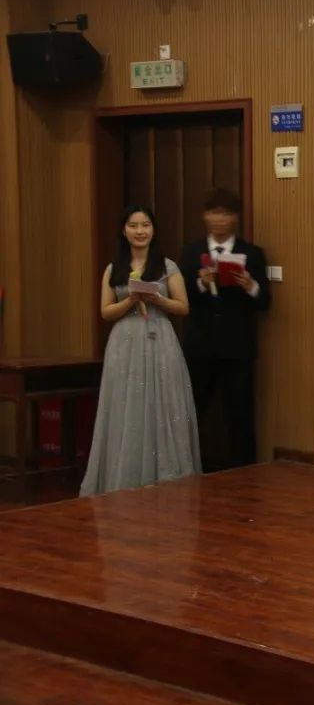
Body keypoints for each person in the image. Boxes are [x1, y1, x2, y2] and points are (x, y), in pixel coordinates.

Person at [80, 206, 201, 495]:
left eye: (145, 225)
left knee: (163, 403)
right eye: (133, 225)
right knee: (127, 406)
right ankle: (126, 476)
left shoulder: (167, 266)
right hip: (125, 343)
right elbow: (106, 311)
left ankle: (167, 476)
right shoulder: (113, 268)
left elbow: (183, 307)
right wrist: (131, 300)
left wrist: (157, 299)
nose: (140, 231)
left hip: (160, 339)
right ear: (124, 231)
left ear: (153, 230)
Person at [179, 187, 270, 471]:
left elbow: (266, 301)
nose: (220, 219)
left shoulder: (251, 253)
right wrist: (201, 284)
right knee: (192, 408)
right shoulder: (191, 252)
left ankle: (245, 472)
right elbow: (181, 299)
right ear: (204, 216)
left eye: (226, 213)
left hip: (238, 346)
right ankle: (183, 466)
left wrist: (250, 286)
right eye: (214, 213)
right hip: (200, 345)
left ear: (236, 218)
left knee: (240, 413)